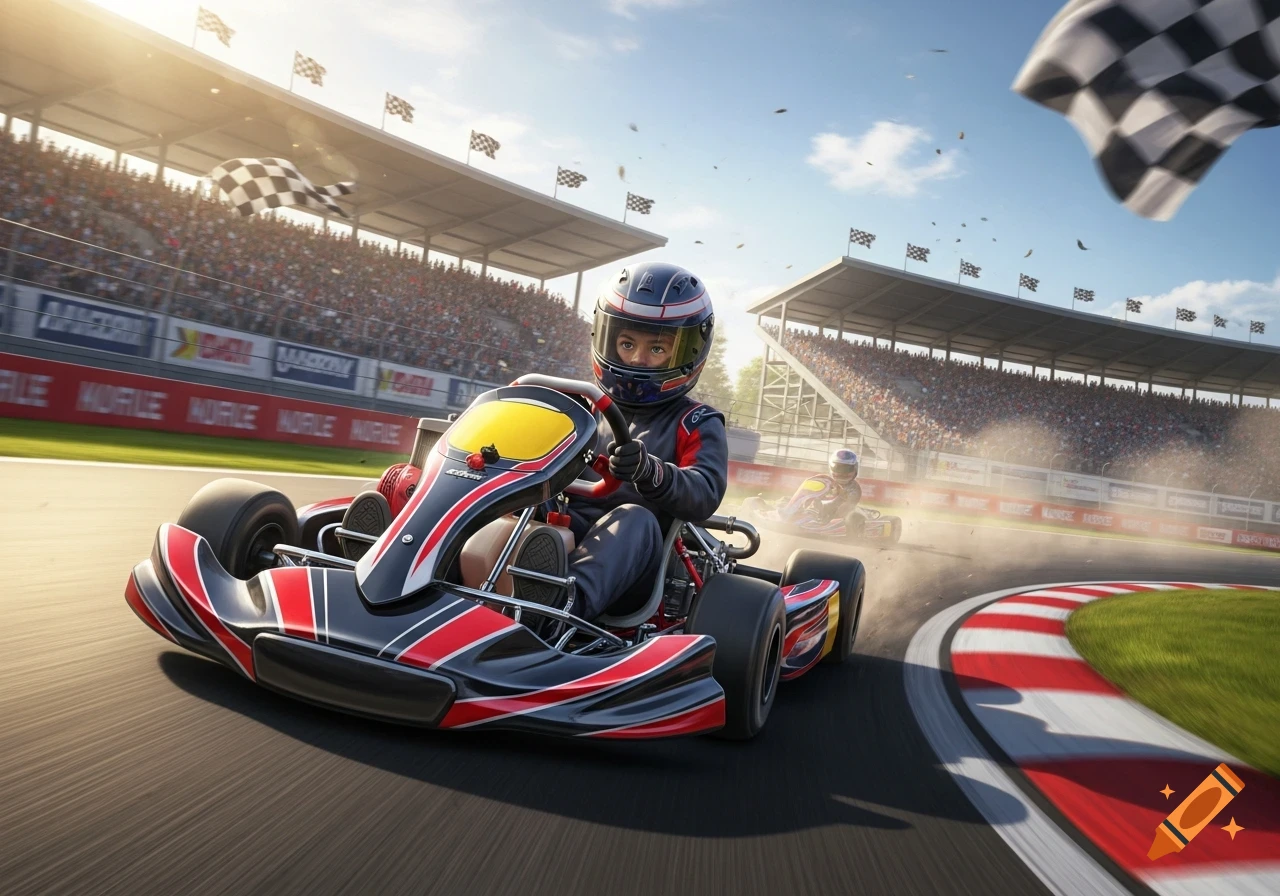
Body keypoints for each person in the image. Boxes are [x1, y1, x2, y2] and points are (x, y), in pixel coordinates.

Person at [513, 261, 729, 623]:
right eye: (627, 344)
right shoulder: (577, 406)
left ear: (690, 353)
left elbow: (705, 491)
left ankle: (556, 612)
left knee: (634, 517)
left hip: (637, 562)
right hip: (565, 530)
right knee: (519, 495)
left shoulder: (696, 422)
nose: (637, 360)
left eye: (657, 349)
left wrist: (651, 472)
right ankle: (442, 577)